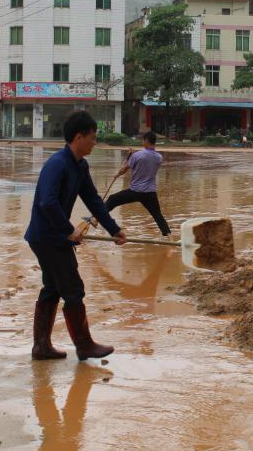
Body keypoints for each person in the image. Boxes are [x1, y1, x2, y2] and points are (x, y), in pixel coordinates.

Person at [24, 111, 127, 361]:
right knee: (73, 289)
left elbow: (93, 199)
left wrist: (114, 229)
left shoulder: (80, 165)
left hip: (54, 236)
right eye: (92, 138)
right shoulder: (58, 163)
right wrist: (69, 230)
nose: (94, 142)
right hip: (47, 237)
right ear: (78, 137)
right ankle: (84, 346)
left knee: (52, 288)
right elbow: (47, 203)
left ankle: (41, 347)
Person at [104, 131, 172, 237]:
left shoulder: (137, 155)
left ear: (146, 140)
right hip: (150, 193)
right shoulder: (159, 157)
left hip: (135, 191)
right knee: (158, 216)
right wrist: (131, 156)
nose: (142, 142)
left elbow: (124, 169)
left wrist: (118, 173)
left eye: (142, 140)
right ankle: (169, 237)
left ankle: (95, 218)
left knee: (112, 199)